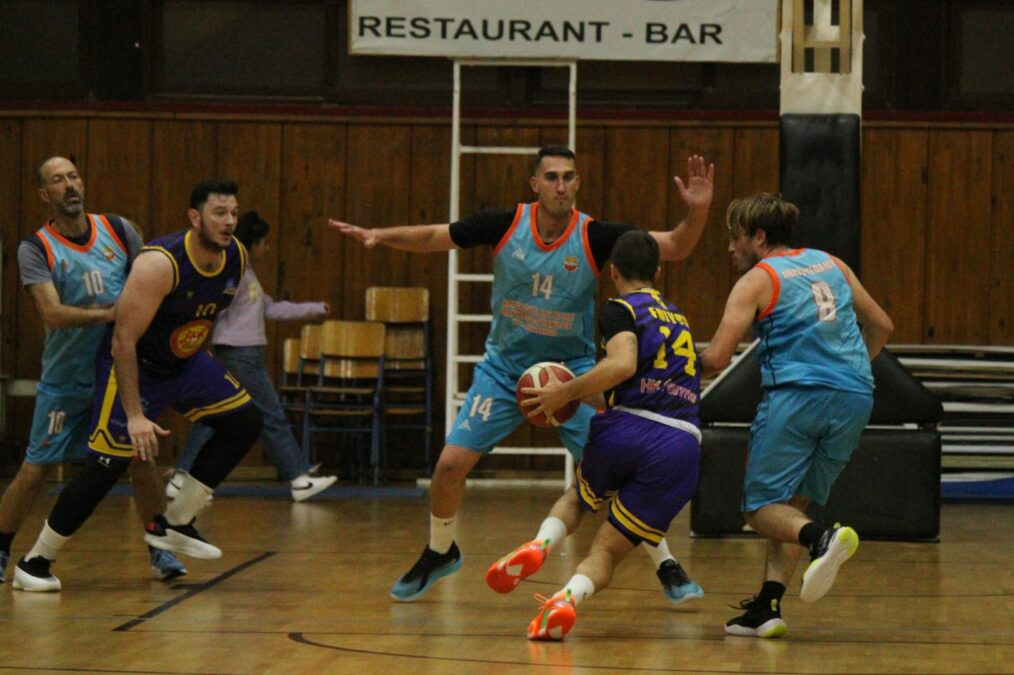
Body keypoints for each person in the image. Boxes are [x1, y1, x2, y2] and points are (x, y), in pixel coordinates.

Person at [329, 146, 714, 602]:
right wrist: (380, 235)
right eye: (551, 177)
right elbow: (434, 236)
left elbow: (675, 246)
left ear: (578, 183)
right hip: (505, 370)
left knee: (615, 471)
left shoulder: (594, 236)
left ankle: (665, 562)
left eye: (569, 177)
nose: (561, 186)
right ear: (535, 184)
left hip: (572, 374)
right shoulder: (504, 223)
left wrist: (698, 211)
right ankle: (440, 550)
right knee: (449, 465)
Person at [12, 179, 265, 591]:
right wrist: (134, 415)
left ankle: (177, 521)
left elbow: (203, 317)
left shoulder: (235, 255)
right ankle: (35, 561)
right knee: (105, 467)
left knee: (245, 421)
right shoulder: (159, 263)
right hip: (134, 365)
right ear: (195, 217)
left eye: (234, 213)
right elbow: (122, 342)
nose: (229, 221)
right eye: (219, 213)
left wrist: (200, 361)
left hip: (185, 363)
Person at [699, 193, 893, 638]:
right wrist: (850, 372)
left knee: (759, 509)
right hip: (856, 397)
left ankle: (822, 538)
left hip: (798, 397)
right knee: (792, 506)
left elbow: (717, 358)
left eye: (735, 237)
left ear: (759, 237)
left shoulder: (757, 280)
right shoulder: (832, 263)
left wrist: (667, 362)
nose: (730, 247)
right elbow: (882, 325)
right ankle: (768, 607)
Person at [494, 230, 703, 640]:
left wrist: (565, 392)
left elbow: (622, 365)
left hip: (628, 429)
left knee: (577, 499)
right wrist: (578, 391)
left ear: (613, 273)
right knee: (606, 551)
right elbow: (639, 383)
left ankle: (541, 544)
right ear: (658, 272)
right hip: (679, 445)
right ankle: (565, 599)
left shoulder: (619, 309)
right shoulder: (678, 318)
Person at [0, 156, 186, 588]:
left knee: (142, 460)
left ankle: (159, 548)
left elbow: (150, 284)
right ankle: (2, 546)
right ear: (44, 195)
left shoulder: (119, 230)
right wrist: (111, 314)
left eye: (74, 177)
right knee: (36, 469)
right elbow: (52, 313)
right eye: (58, 180)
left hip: (118, 376)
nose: (70, 185)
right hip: (66, 379)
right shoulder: (36, 248)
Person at [169, 211, 335, 503]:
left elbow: (269, 308)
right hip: (240, 353)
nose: (267, 248)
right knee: (270, 413)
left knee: (215, 415)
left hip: (239, 352)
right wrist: (202, 342)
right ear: (253, 242)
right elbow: (211, 305)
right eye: (265, 242)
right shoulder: (233, 271)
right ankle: (298, 478)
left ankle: (182, 478)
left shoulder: (245, 273)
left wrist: (314, 309)